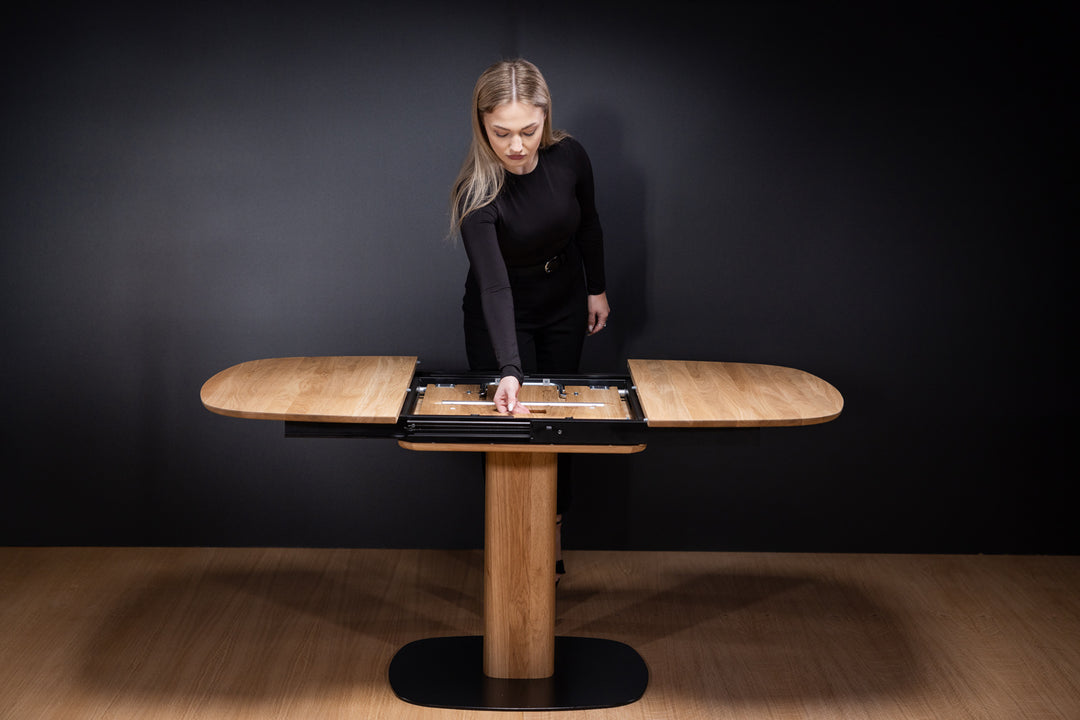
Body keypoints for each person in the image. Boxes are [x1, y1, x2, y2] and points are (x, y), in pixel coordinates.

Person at [449, 59, 609, 582]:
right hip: (502, 312)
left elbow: (589, 223)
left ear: (545, 118)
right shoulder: (476, 193)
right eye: (501, 133)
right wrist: (509, 370)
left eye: (528, 131)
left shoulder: (570, 157)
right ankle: (511, 543)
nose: (516, 147)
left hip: (564, 299)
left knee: (561, 426)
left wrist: (596, 288)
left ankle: (553, 533)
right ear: (482, 125)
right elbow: (494, 286)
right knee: (508, 426)